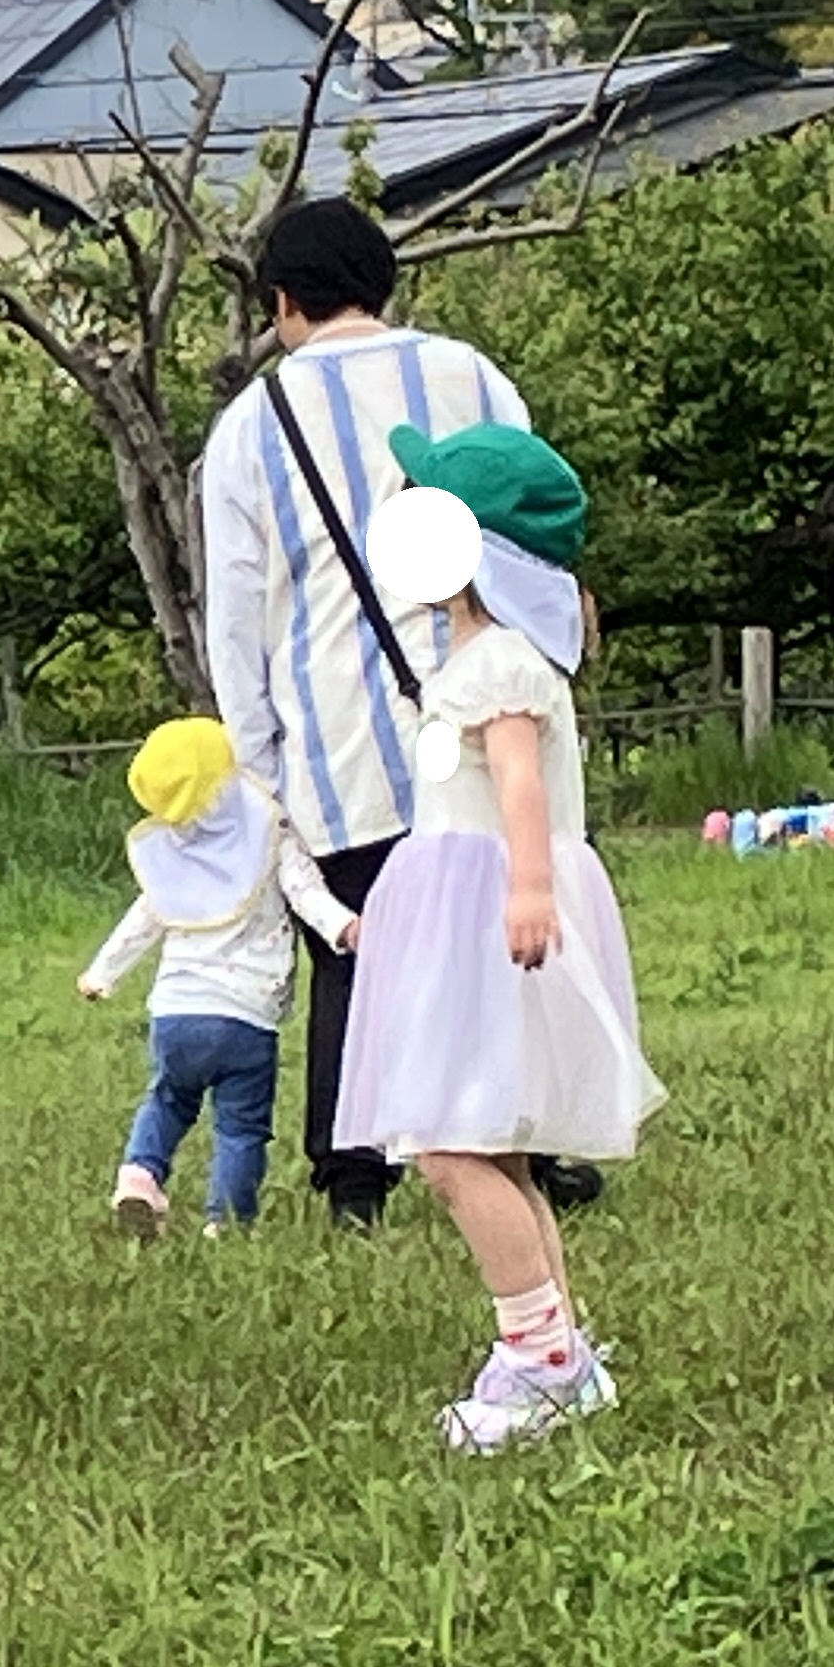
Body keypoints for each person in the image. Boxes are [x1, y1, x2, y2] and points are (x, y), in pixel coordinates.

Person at [198, 196, 541, 1230]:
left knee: (357, 948)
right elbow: (530, 525)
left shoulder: (253, 423)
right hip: (482, 710)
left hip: (336, 727)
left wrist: (258, 760)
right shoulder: (472, 377)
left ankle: (354, 1174)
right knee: (498, 941)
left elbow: (236, 613)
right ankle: (527, 1143)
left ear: (282, 302)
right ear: (384, 283)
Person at [330, 422, 663, 1451]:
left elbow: (520, 783)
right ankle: (558, 1348)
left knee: (449, 1150)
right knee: (488, 1143)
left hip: (484, 912)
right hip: (460, 905)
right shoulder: (485, 659)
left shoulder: (503, 667)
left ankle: (540, 1359)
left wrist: (526, 888)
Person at [77, 720, 355, 1235]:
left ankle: (139, 1176)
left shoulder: (174, 855)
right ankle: (225, 1222)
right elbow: (306, 894)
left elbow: (142, 922)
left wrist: (101, 974)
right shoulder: (271, 835)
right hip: (246, 1018)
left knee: (167, 1100)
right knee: (240, 1128)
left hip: (175, 1014)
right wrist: (346, 928)